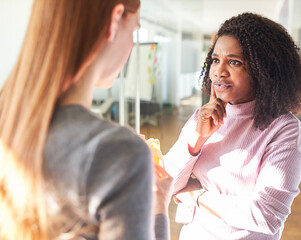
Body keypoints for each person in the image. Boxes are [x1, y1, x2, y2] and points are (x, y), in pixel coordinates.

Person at [0, 0, 173, 239]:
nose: (132, 44)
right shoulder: (120, 152)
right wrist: (159, 206)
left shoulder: (8, 122)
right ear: (115, 20)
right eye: (135, 30)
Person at [164, 12, 301, 239]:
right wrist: (196, 140)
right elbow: (167, 183)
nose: (219, 71)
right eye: (215, 60)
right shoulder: (202, 117)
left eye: (234, 62)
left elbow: (267, 215)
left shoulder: (284, 129)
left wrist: (199, 195)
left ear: (263, 70)